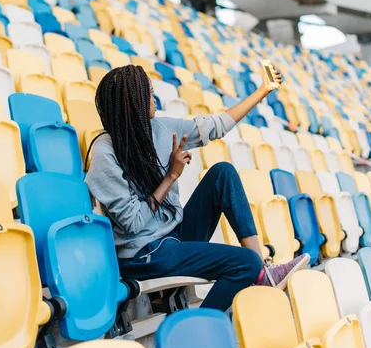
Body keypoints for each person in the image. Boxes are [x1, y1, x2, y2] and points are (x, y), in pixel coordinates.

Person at [86, 64, 309, 312]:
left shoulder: (162, 128)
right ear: (134, 101)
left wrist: (262, 91)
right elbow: (133, 223)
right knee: (244, 263)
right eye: (148, 93)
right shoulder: (104, 154)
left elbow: (217, 125)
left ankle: (265, 272)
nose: (154, 98)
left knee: (222, 173)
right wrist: (171, 176)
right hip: (144, 254)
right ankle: (195, 328)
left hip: (174, 235)